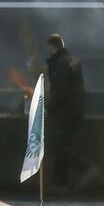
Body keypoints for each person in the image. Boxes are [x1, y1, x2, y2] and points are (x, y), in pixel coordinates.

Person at [43, 34, 90, 190]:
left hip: (64, 112)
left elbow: (60, 90)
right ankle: (61, 183)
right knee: (64, 145)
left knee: (59, 147)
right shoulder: (72, 59)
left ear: (51, 46)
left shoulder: (60, 64)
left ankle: (85, 169)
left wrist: (49, 106)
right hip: (76, 110)